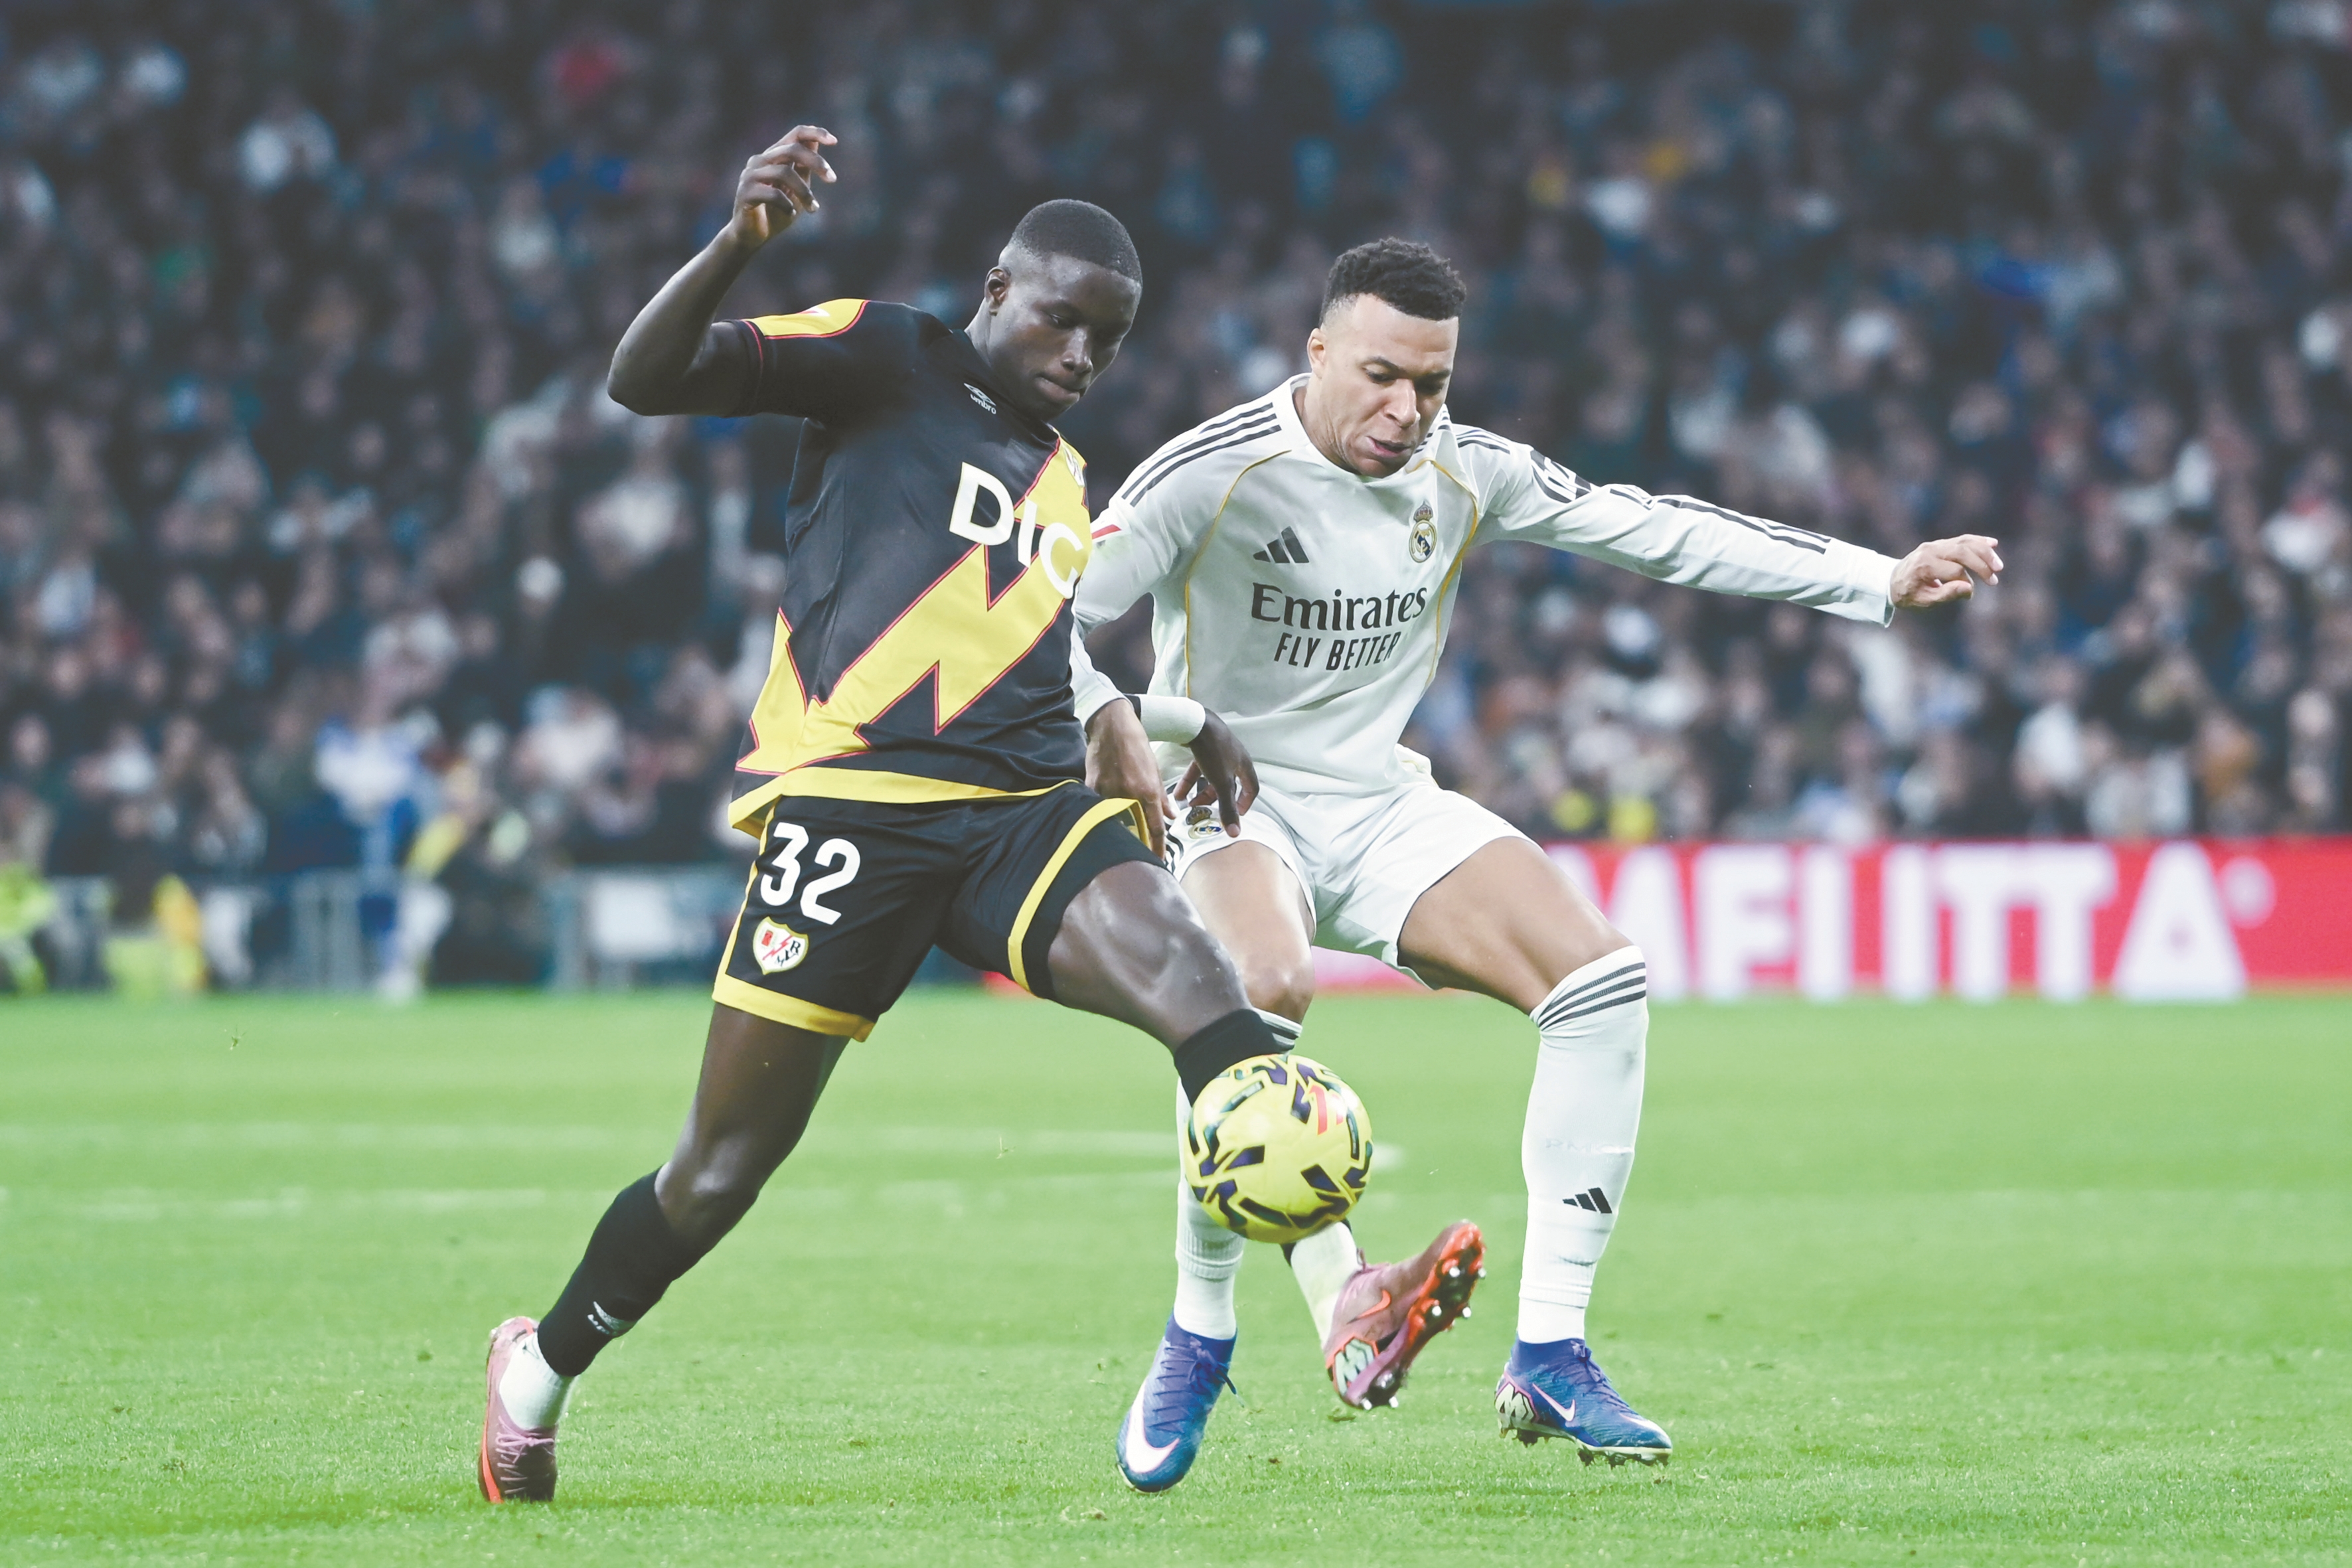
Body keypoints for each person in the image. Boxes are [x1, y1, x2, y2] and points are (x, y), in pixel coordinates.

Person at [1074, 238, 2001, 1487]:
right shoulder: (1209, 471)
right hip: (1228, 799)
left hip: (1378, 798)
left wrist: (1877, 577)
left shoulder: (1468, 470)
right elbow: (1043, 619)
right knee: (1262, 989)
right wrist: (1123, 715)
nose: (1407, 410)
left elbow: (1654, 530)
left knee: (1603, 981)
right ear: (1318, 352)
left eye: (1434, 384)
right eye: (1382, 376)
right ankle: (1200, 1328)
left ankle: (1550, 1355)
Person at [475, 127, 1277, 1504]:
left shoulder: (1065, 481)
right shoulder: (891, 353)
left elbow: (1029, 653)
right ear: (997, 288)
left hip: (1018, 817)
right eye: (1062, 318)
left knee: (1207, 989)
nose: (1084, 354)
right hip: (853, 809)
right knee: (719, 1170)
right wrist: (736, 244)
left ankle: (1327, 1287)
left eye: (1109, 337)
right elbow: (643, 378)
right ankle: (537, 1369)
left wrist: (1147, 716)